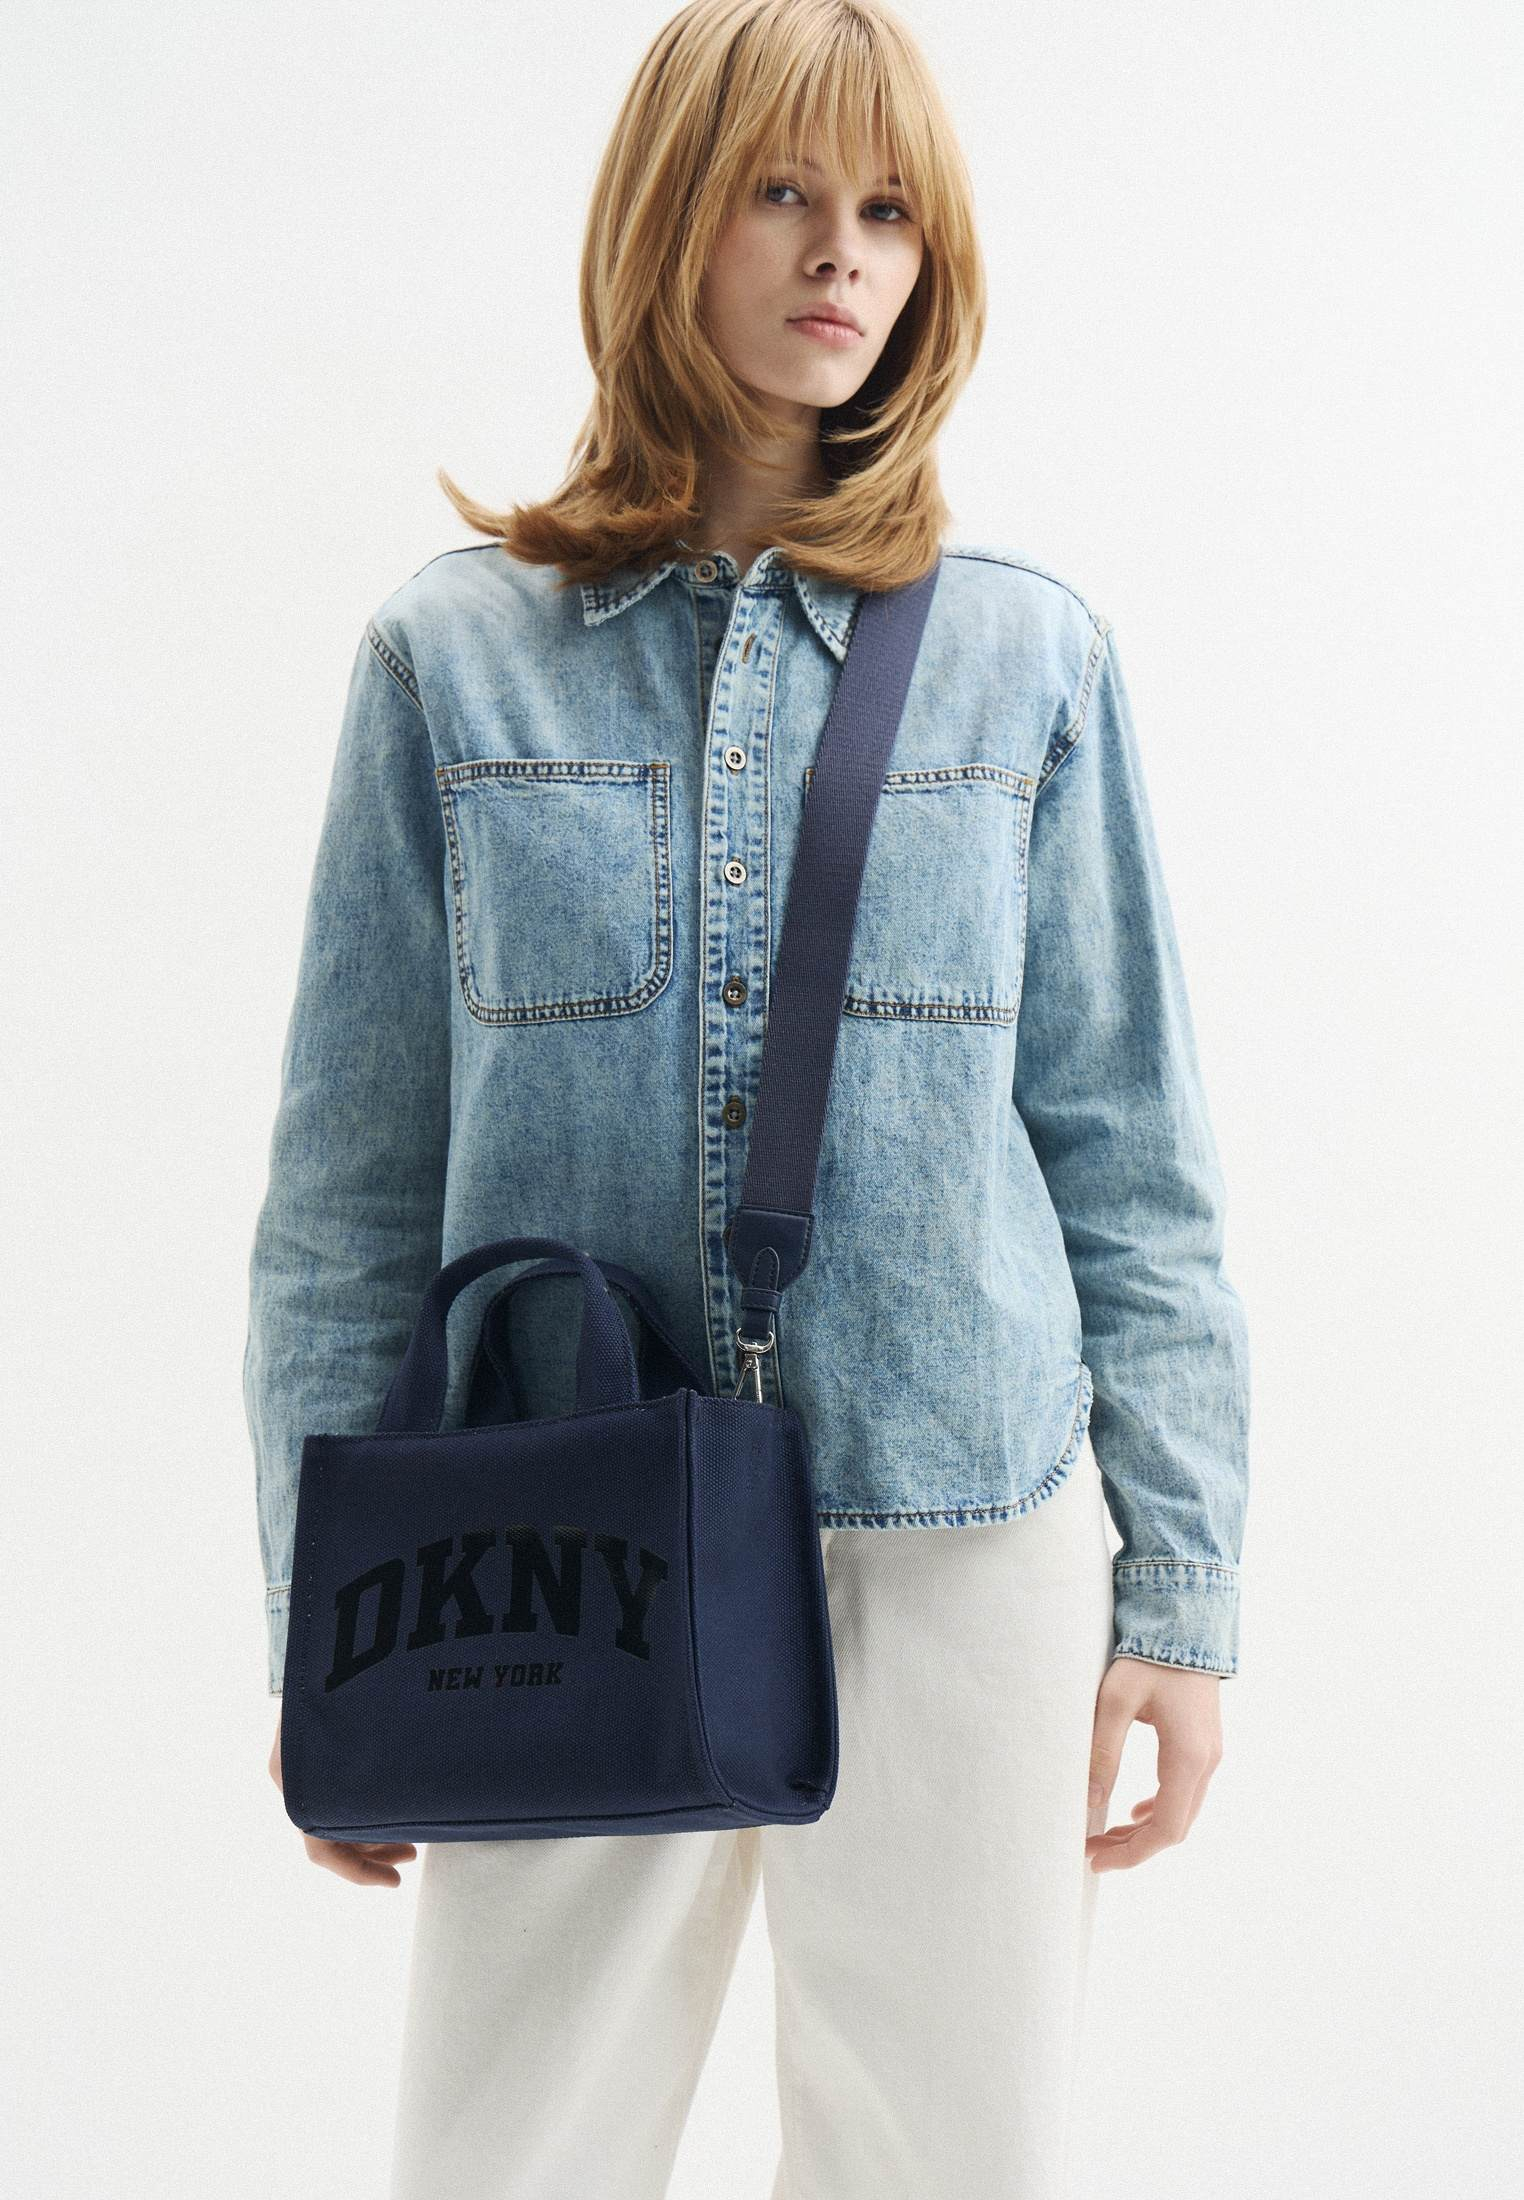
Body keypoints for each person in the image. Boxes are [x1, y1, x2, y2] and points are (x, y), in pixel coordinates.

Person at [245, 2, 1251, 2193]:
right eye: (782, 190)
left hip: (960, 1528)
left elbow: (1132, 1159)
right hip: (553, 1537)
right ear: (664, 218)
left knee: (948, 2160)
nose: (841, 253)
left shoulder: (1028, 658)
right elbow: (348, 1188)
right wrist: (322, 1621)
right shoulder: (455, 655)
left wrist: (1180, 1594)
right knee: (510, 2155)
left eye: (888, 209)